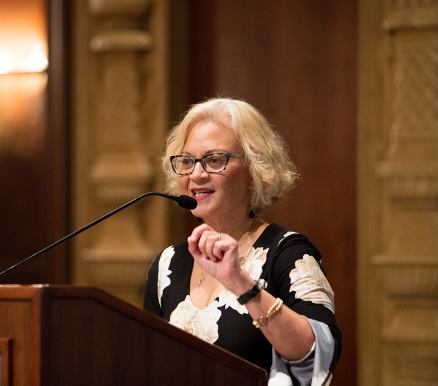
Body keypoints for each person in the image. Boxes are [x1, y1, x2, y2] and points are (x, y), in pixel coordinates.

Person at [143, 97, 341, 385]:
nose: (197, 174)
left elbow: (318, 356)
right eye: (187, 161)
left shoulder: (289, 254)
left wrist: (240, 282)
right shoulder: (167, 265)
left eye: (213, 160)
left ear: (254, 171)